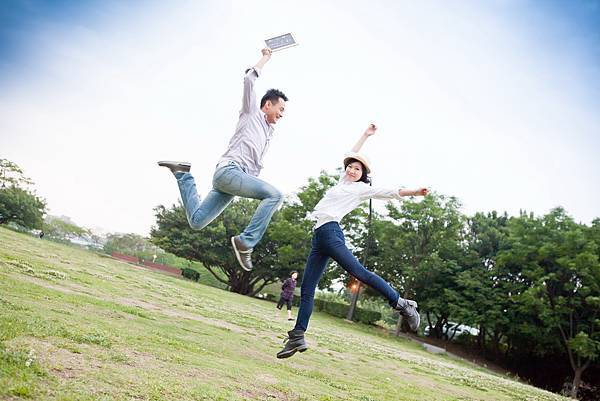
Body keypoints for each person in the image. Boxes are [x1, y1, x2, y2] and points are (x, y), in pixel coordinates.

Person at [276, 123, 428, 359]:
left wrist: (414, 192)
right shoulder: (341, 183)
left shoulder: (360, 189)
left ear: (362, 175)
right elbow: (351, 153)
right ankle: (297, 335)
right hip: (319, 236)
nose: (352, 170)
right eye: (350, 167)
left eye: (357, 169)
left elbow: (388, 191)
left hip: (331, 233)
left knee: (360, 273)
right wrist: (365, 136)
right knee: (307, 288)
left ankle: (402, 304)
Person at [159, 48, 287, 271]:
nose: (282, 114)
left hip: (230, 181)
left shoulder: (269, 131)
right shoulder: (251, 113)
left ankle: (183, 175)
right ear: (267, 105)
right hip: (230, 171)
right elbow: (248, 79)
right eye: (281, 108)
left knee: (197, 222)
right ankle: (246, 242)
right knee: (275, 195)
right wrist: (266, 57)